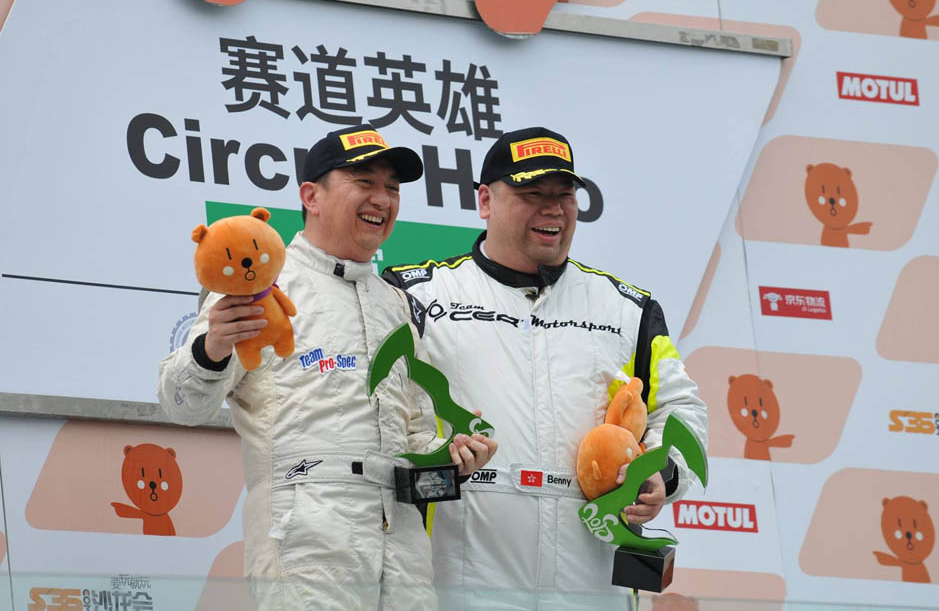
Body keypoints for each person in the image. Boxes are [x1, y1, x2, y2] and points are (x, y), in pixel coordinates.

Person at [157, 124, 497, 611]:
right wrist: (211, 347)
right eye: (364, 183)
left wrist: (453, 454)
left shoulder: (396, 303)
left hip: (403, 547)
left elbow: (417, 432)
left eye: (392, 188)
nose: (382, 199)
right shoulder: (262, 285)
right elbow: (181, 405)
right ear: (311, 197)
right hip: (306, 538)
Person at [383, 127, 708, 609]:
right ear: (485, 201)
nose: (553, 209)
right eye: (532, 194)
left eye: (564, 195)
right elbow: (377, 415)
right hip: (456, 583)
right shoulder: (414, 295)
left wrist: (659, 471)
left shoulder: (628, 309)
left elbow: (682, 410)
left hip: (590, 590)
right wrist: (431, 454)